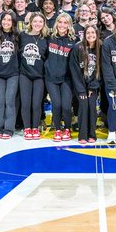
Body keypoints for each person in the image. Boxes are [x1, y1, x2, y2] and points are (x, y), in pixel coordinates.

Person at [45, 13, 77, 142]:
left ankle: (67, 129)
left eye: (65, 23)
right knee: (56, 105)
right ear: (56, 23)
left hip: (67, 79)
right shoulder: (49, 38)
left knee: (66, 106)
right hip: (51, 78)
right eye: (60, 22)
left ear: (69, 25)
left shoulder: (73, 41)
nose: (62, 25)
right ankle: (58, 129)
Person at [19, 12, 49, 141]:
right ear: (30, 22)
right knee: (25, 103)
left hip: (39, 76)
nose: (37, 24)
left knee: (36, 104)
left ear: (44, 24)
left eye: (40, 22)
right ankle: (27, 128)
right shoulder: (22, 36)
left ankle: (35, 128)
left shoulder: (46, 38)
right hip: (24, 74)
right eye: (35, 21)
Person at [71, 23, 102, 146]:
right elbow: (74, 71)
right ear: (84, 35)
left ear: (97, 34)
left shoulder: (101, 47)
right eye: (88, 33)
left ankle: (92, 134)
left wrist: (93, 87)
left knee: (91, 105)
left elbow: (102, 71)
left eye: (93, 33)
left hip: (94, 85)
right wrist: (81, 90)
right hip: (81, 86)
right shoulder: (77, 48)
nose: (90, 35)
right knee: (83, 104)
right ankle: (82, 134)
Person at [0, 9, 20, 140]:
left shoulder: (18, 36)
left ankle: (9, 128)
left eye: (9, 20)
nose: (6, 22)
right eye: (4, 19)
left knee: (10, 101)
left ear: (13, 22)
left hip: (13, 73)